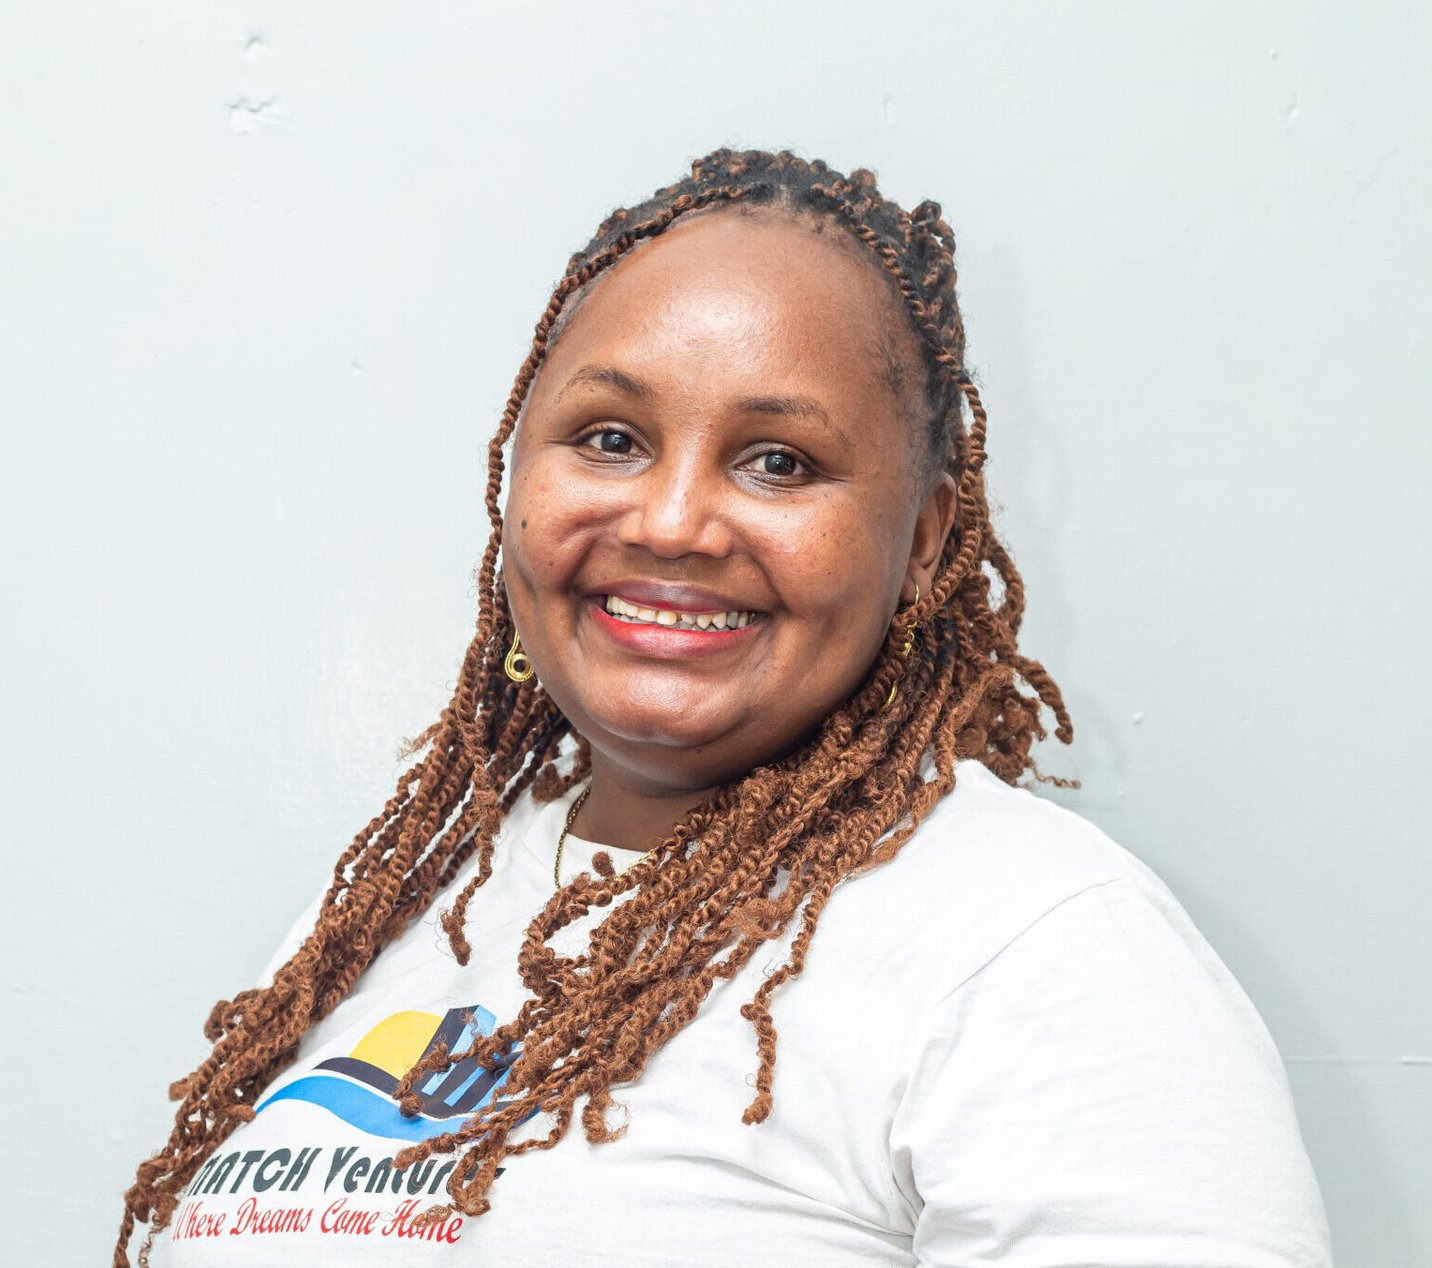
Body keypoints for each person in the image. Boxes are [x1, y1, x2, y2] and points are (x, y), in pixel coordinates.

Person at [115, 149, 1331, 1266]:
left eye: (777, 461)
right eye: (609, 438)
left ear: (922, 542)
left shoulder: (1036, 946)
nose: (670, 521)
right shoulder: (410, 903)